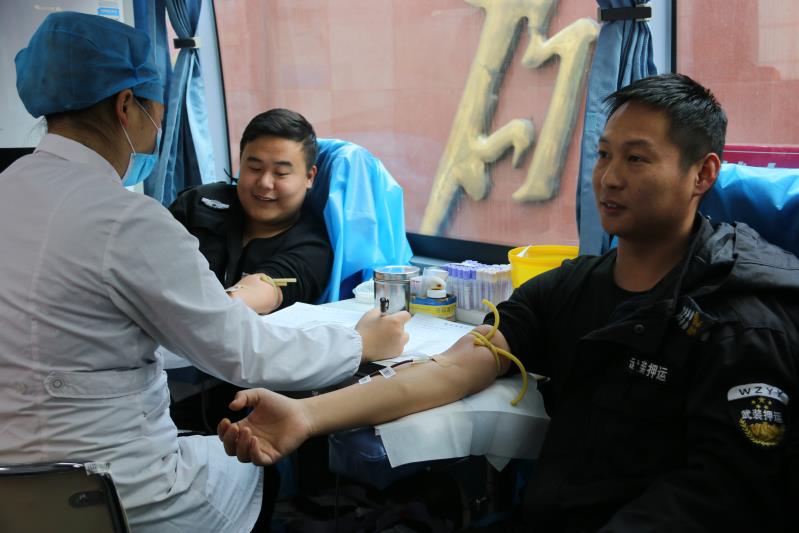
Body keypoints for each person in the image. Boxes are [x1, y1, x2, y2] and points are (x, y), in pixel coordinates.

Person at [218, 73, 799, 531]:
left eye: (637, 159)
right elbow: (455, 368)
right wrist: (307, 416)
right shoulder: (575, 286)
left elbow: (724, 493)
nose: (609, 178)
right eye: (603, 155)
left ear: (702, 174)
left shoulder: (741, 321)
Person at [0, 11, 409, 533]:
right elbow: (243, 351)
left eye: (282, 171)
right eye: (155, 107)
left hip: (13, 483)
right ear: (126, 105)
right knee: (254, 465)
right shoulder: (127, 220)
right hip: (112, 489)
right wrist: (359, 344)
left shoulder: (10, 190)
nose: (264, 184)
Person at [167, 108, 332, 433]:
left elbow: (265, 289)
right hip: (155, 383)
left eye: (281, 173)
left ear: (309, 177)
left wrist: (221, 304)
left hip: (239, 410)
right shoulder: (198, 203)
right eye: (253, 168)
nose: (264, 183)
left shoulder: (312, 247)